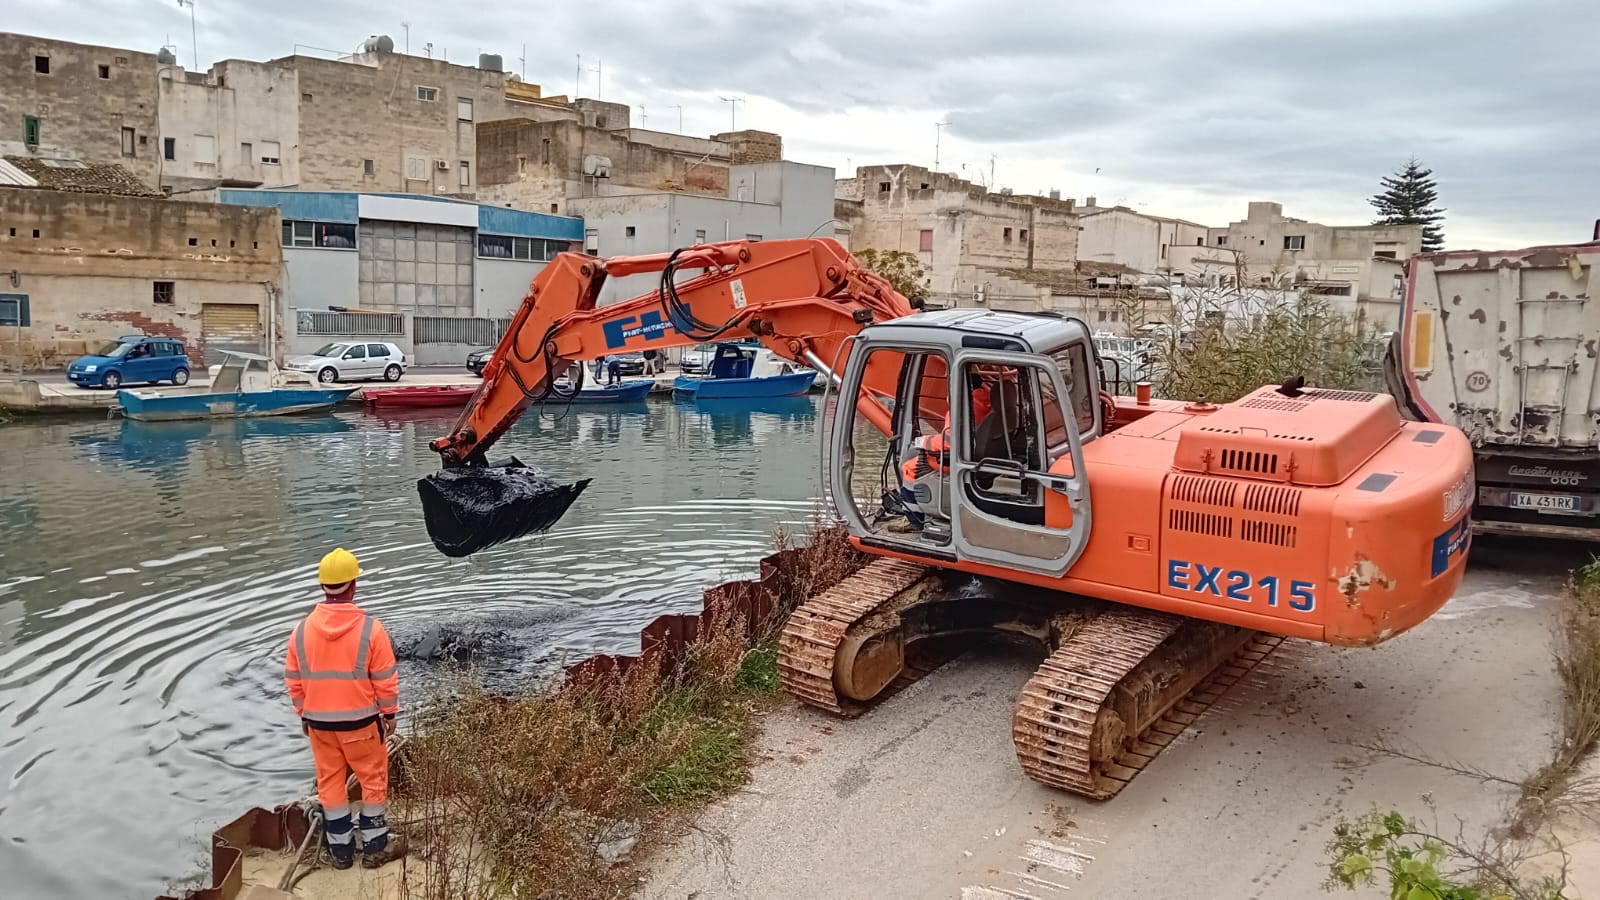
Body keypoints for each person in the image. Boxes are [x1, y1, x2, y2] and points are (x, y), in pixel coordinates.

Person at [284, 548, 407, 870]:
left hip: (319, 726)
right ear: (353, 585)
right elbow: (385, 680)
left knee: (330, 784)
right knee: (372, 780)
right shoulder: (371, 630)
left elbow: (294, 683)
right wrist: (390, 715)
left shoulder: (300, 631)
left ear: (323, 586)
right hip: (361, 724)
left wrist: (304, 716)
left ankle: (341, 852)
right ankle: (375, 847)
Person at [892, 372, 994, 533]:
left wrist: (922, 441)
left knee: (909, 468)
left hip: (958, 459)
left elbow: (949, 442)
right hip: (980, 456)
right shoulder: (987, 402)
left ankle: (914, 518)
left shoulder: (962, 408)